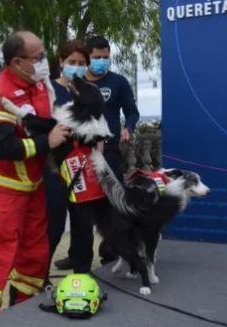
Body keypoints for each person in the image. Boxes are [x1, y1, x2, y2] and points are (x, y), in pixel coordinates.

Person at [0, 31, 71, 320]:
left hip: (34, 184)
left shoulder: (40, 86)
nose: (44, 63)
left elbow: (46, 124)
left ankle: (21, 312)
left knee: (35, 252)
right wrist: (46, 143)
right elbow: (2, 147)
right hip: (4, 186)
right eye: (38, 57)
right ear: (17, 62)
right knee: (1, 252)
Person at [85, 35, 140, 264]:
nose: (101, 61)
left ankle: (110, 251)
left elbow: (132, 112)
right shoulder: (76, 81)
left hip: (109, 151)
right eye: (97, 57)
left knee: (113, 202)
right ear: (87, 57)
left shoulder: (118, 82)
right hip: (81, 153)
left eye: (105, 57)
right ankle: (78, 253)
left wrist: (128, 127)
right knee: (82, 204)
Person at [44, 40, 88, 278]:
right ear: (61, 62)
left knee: (83, 224)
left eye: (82, 63)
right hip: (54, 168)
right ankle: (38, 276)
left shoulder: (87, 92)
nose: (77, 67)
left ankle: (82, 274)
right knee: (55, 225)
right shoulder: (48, 90)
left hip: (81, 167)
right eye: (72, 62)